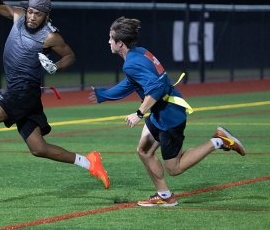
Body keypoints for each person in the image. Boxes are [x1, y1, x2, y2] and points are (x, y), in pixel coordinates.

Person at [0, 0, 109, 190]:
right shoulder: (18, 16)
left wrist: (56, 66)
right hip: (21, 91)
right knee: (39, 148)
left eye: (38, 14)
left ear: (46, 15)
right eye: (30, 11)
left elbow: (70, 56)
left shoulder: (50, 36)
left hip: (24, 91)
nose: (32, 17)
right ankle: (89, 162)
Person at [88, 16, 246, 206]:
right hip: (159, 113)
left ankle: (219, 141)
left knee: (174, 168)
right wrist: (103, 95)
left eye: (111, 38)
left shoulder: (131, 62)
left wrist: (138, 114)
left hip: (169, 115)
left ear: (120, 43)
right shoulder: (139, 53)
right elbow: (132, 83)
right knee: (144, 151)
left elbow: (157, 88)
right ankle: (165, 196)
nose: (108, 42)